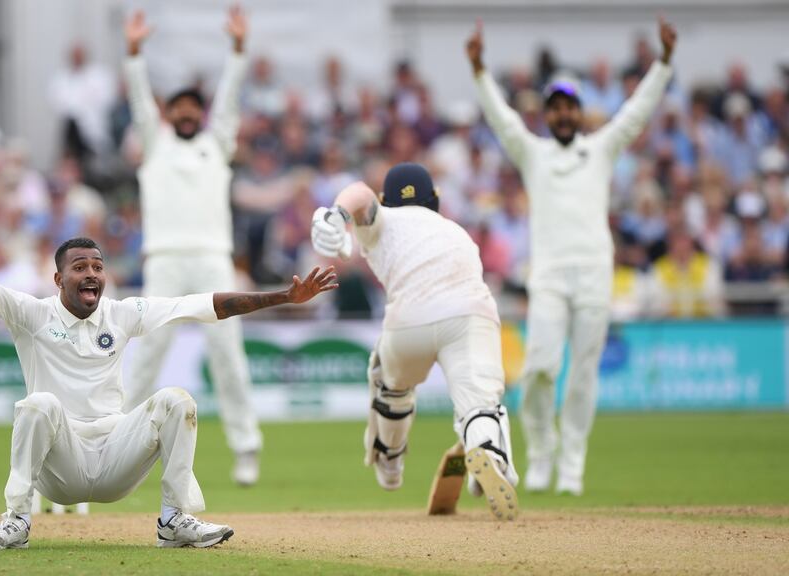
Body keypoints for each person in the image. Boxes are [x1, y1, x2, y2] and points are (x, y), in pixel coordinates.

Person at [0, 172, 337, 549]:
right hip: (59, 464)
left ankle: (174, 521)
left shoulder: (120, 314)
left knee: (177, 400)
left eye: (97, 267)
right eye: (79, 267)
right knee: (39, 403)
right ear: (58, 279)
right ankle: (17, 521)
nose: (91, 275)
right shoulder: (31, 314)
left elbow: (200, 305)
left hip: (115, 458)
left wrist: (284, 297)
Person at [466, 18, 677, 495]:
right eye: (555, 108)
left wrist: (663, 64)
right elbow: (501, 119)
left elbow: (635, 114)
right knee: (540, 367)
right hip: (550, 276)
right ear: (547, 114)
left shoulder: (600, 150)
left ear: (580, 113)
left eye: (569, 108)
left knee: (583, 373)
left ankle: (573, 467)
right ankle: (541, 455)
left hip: (595, 276)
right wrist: (479, 70)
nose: (562, 115)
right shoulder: (533, 153)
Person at [310, 163, 519, 521]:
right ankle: (486, 448)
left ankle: (390, 461)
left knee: (390, 385)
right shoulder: (455, 231)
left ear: (385, 200)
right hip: (470, 316)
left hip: (410, 321)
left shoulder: (382, 222)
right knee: (480, 400)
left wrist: (337, 215)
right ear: (434, 200)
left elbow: (359, 193)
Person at [121, 6, 266, 486]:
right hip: (163, 260)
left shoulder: (216, 142)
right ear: (169, 114)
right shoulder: (155, 141)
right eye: (177, 107)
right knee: (147, 356)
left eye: (192, 107)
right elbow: (142, 102)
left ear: (199, 115)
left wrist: (239, 50)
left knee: (228, 354)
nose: (185, 112)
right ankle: (114, 444)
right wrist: (135, 53)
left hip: (211, 259)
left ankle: (246, 448)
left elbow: (229, 102)